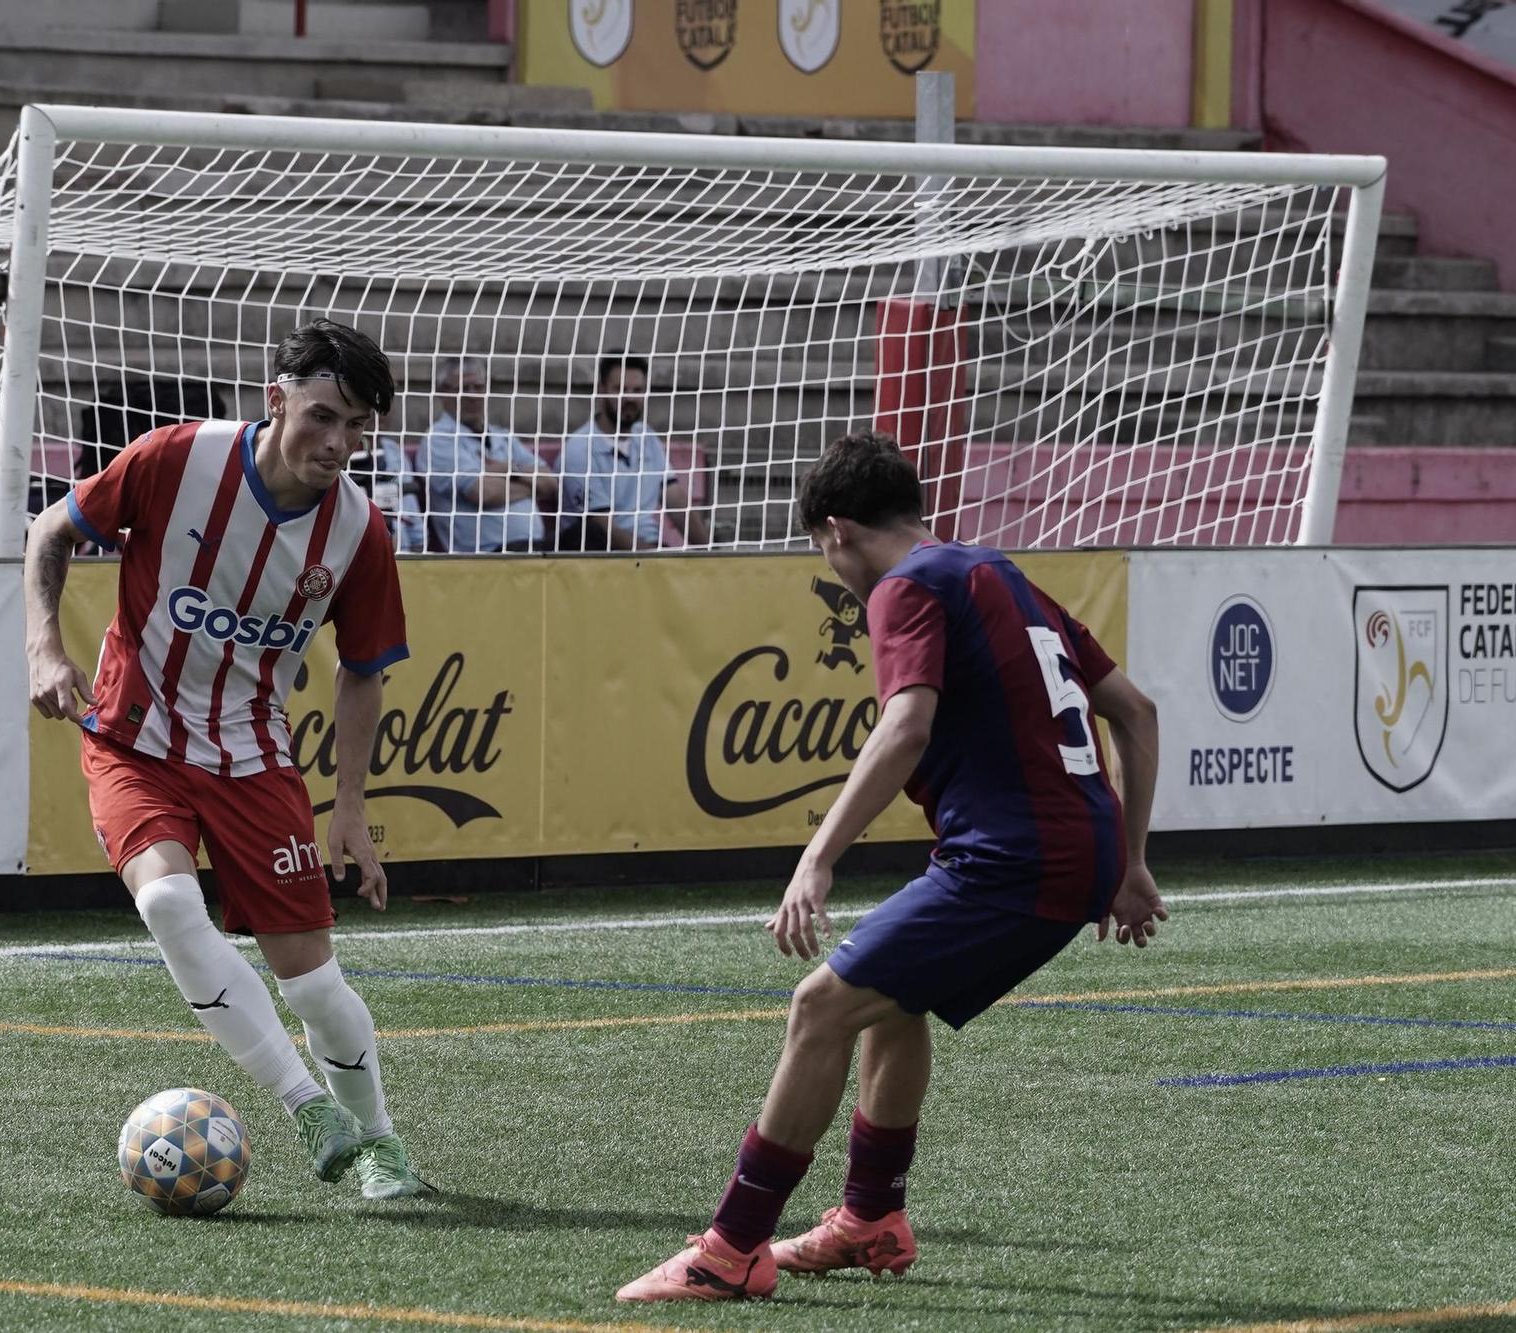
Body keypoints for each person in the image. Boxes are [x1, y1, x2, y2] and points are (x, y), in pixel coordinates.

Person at [617, 429, 1166, 1302]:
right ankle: (871, 1217)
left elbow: (905, 724)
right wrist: (1128, 861)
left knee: (820, 1005)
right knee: (890, 997)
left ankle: (731, 1250)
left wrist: (816, 856)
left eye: (820, 552)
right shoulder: (999, 573)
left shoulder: (904, 584)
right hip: (1062, 847)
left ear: (836, 530)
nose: (831, 568)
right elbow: (1135, 712)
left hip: (1015, 857)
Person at [23, 318, 432, 1201]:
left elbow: (363, 675)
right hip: (135, 738)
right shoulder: (175, 459)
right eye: (324, 415)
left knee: (317, 986)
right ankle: (305, 1105)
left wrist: (351, 808)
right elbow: (49, 531)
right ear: (275, 398)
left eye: (359, 427)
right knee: (168, 898)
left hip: (253, 755)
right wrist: (44, 650)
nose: (339, 442)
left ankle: (383, 1142)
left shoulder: (359, 531)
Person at [560, 354, 708, 551]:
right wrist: (658, 562)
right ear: (601, 390)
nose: (629, 398)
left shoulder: (646, 437)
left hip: (649, 548)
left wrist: (713, 553)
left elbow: (677, 503)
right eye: (620, 389)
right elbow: (604, 529)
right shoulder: (579, 450)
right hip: (600, 557)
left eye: (637, 390)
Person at [421, 357, 559, 554]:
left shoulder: (503, 436)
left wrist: (509, 470)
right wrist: (533, 485)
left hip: (536, 548)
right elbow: (485, 493)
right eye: (463, 388)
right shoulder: (438, 439)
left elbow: (551, 484)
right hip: (487, 556)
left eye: (478, 387)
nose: (472, 395)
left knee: (587, 538)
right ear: (443, 392)